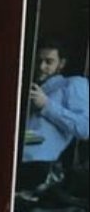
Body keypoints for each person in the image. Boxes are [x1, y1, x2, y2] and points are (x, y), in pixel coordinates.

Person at [19, 37, 90, 190]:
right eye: (39, 61)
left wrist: (46, 105)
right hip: (14, 157)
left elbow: (85, 128)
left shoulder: (73, 83)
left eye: (48, 62)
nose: (41, 67)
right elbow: (35, 132)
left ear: (61, 64)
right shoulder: (30, 86)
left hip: (36, 165)